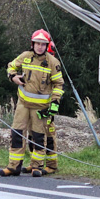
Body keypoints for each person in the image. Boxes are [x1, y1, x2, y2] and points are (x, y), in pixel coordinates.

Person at [0, 29, 64, 177]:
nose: (40, 47)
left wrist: (54, 105)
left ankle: (37, 166)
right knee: (16, 134)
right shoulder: (25, 57)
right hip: (23, 104)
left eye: (43, 44)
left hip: (40, 107)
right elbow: (11, 66)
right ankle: (13, 166)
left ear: (47, 46)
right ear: (32, 44)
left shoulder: (52, 62)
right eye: (37, 44)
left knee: (39, 137)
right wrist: (13, 77)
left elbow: (59, 85)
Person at [24, 38, 59, 175]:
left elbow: (58, 88)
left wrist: (52, 109)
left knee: (48, 136)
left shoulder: (53, 66)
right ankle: (34, 163)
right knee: (33, 135)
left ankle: (51, 165)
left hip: (47, 107)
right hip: (35, 106)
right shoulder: (35, 63)